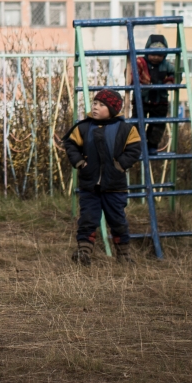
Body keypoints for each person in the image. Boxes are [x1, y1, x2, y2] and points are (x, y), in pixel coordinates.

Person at [61, 88, 142, 265]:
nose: (96, 107)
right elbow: (71, 144)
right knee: (88, 219)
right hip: (90, 186)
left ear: (113, 109)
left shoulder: (126, 129)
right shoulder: (83, 127)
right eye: (95, 103)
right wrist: (79, 162)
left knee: (117, 220)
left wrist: (120, 164)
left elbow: (135, 148)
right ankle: (83, 252)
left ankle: (123, 255)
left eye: (102, 105)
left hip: (115, 186)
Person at [129, 33, 176, 152]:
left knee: (158, 125)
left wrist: (169, 81)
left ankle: (152, 146)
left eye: (160, 55)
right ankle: (136, 146)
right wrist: (135, 81)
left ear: (164, 55)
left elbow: (172, 73)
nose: (156, 57)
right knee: (137, 123)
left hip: (160, 101)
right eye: (153, 54)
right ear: (147, 52)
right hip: (142, 100)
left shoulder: (166, 65)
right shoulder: (141, 63)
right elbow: (130, 72)